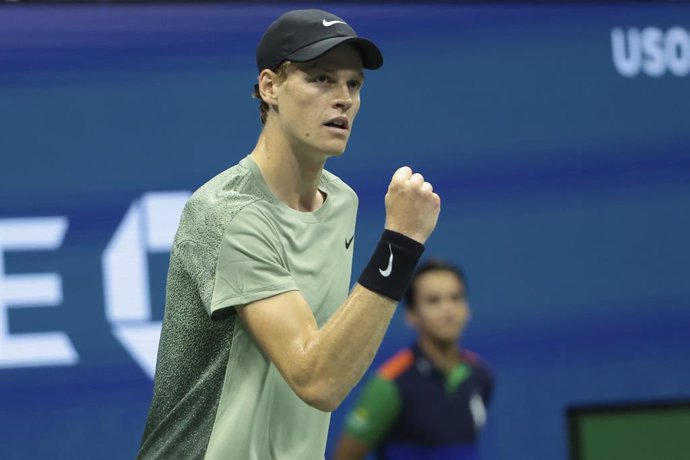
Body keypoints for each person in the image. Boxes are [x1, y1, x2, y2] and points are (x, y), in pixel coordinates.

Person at [137, 9, 441, 460]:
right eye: (320, 79)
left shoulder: (342, 203)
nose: (343, 99)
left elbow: (332, 354)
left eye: (353, 84)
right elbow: (316, 379)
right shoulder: (227, 214)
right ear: (269, 87)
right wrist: (401, 244)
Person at [333, 260, 494, 460]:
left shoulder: (480, 375)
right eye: (433, 301)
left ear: (467, 308)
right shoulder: (389, 384)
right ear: (412, 315)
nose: (448, 309)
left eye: (455, 298)